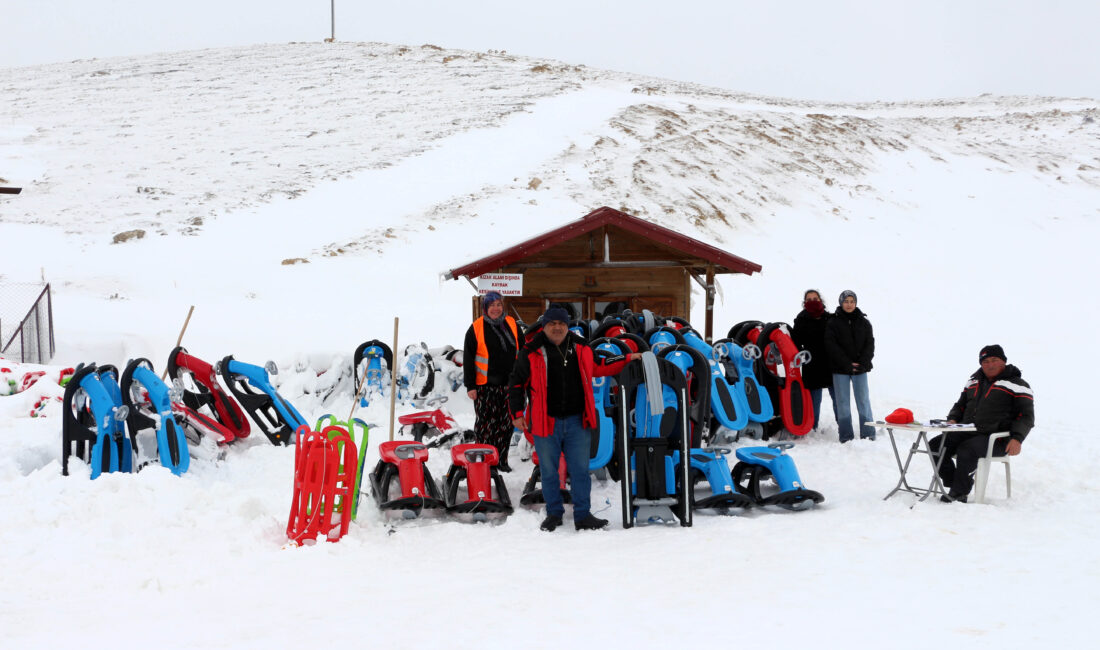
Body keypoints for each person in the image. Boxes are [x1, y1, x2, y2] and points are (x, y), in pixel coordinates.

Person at [508, 305, 635, 531]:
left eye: (561, 323)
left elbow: (600, 366)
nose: (557, 327)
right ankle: (554, 513)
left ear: (567, 326)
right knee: (549, 472)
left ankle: (583, 515)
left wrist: (628, 358)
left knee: (580, 472)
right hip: (546, 422)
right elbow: (516, 383)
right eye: (552, 323)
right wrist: (517, 413)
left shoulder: (581, 347)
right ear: (544, 326)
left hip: (578, 421)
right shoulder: (530, 351)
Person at [929, 344, 1034, 503]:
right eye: (985, 362)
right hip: (967, 432)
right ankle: (954, 482)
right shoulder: (973, 381)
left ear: (1003, 361)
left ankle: (959, 493)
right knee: (935, 445)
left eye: (994, 360)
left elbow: (1026, 416)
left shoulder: (1018, 385)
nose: (990, 365)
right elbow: (960, 405)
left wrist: (1017, 438)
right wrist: (953, 419)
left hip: (997, 439)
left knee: (967, 449)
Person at [463, 291, 520, 471]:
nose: (496, 308)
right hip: (485, 387)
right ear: (485, 308)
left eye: (498, 304)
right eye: (492, 305)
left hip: (509, 386)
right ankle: (484, 461)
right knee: (485, 426)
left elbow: (523, 351)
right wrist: (470, 386)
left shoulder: (512, 324)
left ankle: (501, 461)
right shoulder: (476, 328)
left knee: (506, 425)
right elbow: (468, 359)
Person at [824, 289, 875, 442]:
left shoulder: (864, 322)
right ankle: (846, 436)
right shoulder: (833, 322)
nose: (849, 304)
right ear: (841, 303)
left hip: (860, 368)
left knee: (863, 401)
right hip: (840, 369)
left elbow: (870, 344)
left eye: (852, 301)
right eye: (846, 301)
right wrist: (846, 363)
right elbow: (831, 345)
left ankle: (868, 433)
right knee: (842, 403)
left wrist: (863, 363)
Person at [791, 289, 836, 431]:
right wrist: (803, 355)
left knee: (838, 400)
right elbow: (795, 342)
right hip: (812, 366)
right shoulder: (801, 320)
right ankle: (812, 427)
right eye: (809, 299)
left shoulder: (830, 318)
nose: (812, 302)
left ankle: (843, 427)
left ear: (820, 300)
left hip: (831, 364)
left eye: (815, 299)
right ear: (804, 302)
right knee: (813, 402)